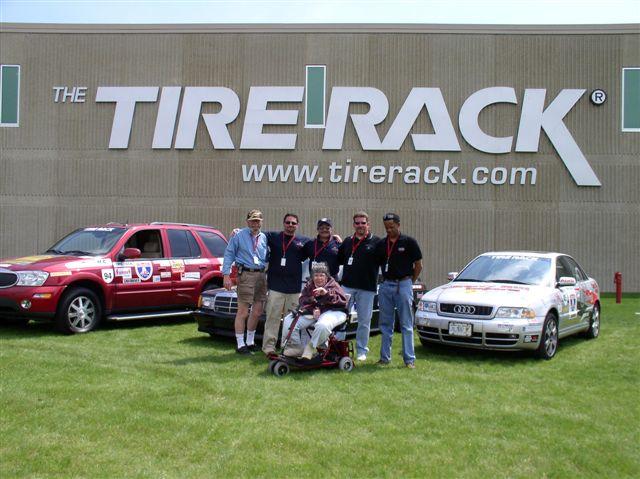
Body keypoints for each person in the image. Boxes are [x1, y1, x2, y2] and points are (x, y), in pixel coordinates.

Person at [375, 213, 423, 368]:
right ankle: (384, 358)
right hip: (386, 285)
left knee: (406, 324)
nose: (389, 230)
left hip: (403, 284)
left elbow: (418, 265)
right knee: (385, 323)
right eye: (386, 227)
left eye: (392, 227)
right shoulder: (382, 244)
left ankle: (409, 360)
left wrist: (409, 282)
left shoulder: (409, 242)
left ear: (398, 225)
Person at [262, 213, 310, 356]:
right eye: (288, 222)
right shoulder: (273, 237)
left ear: (297, 225)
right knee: (272, 319)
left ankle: (289, 347)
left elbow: (320, 243)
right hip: (276, 287)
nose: (290, 225)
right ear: (283, 223)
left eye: (293, 223)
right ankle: (269, 348)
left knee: (292, 322)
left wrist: (336, 239)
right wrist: (239, 231)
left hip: (294, 289)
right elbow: (255, 232)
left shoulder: (304, 241)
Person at [222, 209, 268, 355]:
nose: (255, 223)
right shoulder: (238, 235)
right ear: (247, 222)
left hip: (261, 275)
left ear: (261, 222)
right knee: (242, 311)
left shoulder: (264, 237)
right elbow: (229, 254)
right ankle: (240, 344)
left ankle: (250, 341)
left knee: (257, 311)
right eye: (253, 220)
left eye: (258, 220)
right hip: (246, 274)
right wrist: (226, 275)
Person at [281, 262, 348, 360]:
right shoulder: (309, 285)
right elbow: (302, 299)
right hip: (314, 314)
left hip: (334, 312)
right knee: (288, 320)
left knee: (322, 326)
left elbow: (342, 301)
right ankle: (295, 347)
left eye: (322, 275)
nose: (319, 278)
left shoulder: (333, 285)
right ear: (312, 276)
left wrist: (326, 294)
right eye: (316, 275)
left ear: (326, 276)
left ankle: (311, 347)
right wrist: (314, 308)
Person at [337, 211, 380, 362]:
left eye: (363, 223)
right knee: (340, 317)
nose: (360, 225)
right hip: (347, 286)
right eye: (357, 223)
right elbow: (339, 259)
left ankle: (362, 350)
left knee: (364, 321)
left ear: (368, 224)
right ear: (353, 224)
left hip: (367, 288)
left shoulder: (376, 242)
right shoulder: (348, 241)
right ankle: (338, 347)